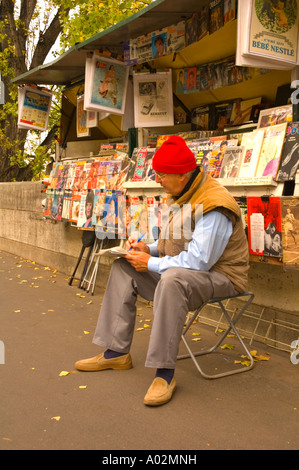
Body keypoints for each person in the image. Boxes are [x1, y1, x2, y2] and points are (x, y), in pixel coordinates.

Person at [75, 136, 249, 406]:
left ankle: (164, 374)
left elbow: (199, 261)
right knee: (124, 266)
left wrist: (152, 264)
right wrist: (149, 249)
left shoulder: (216, 204)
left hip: (223, 277)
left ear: (181, 175)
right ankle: (115, 352)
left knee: (171, 279)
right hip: (190, 272)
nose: (157, 179)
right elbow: (178, 241)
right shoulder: (184, 192)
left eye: (161, 174)